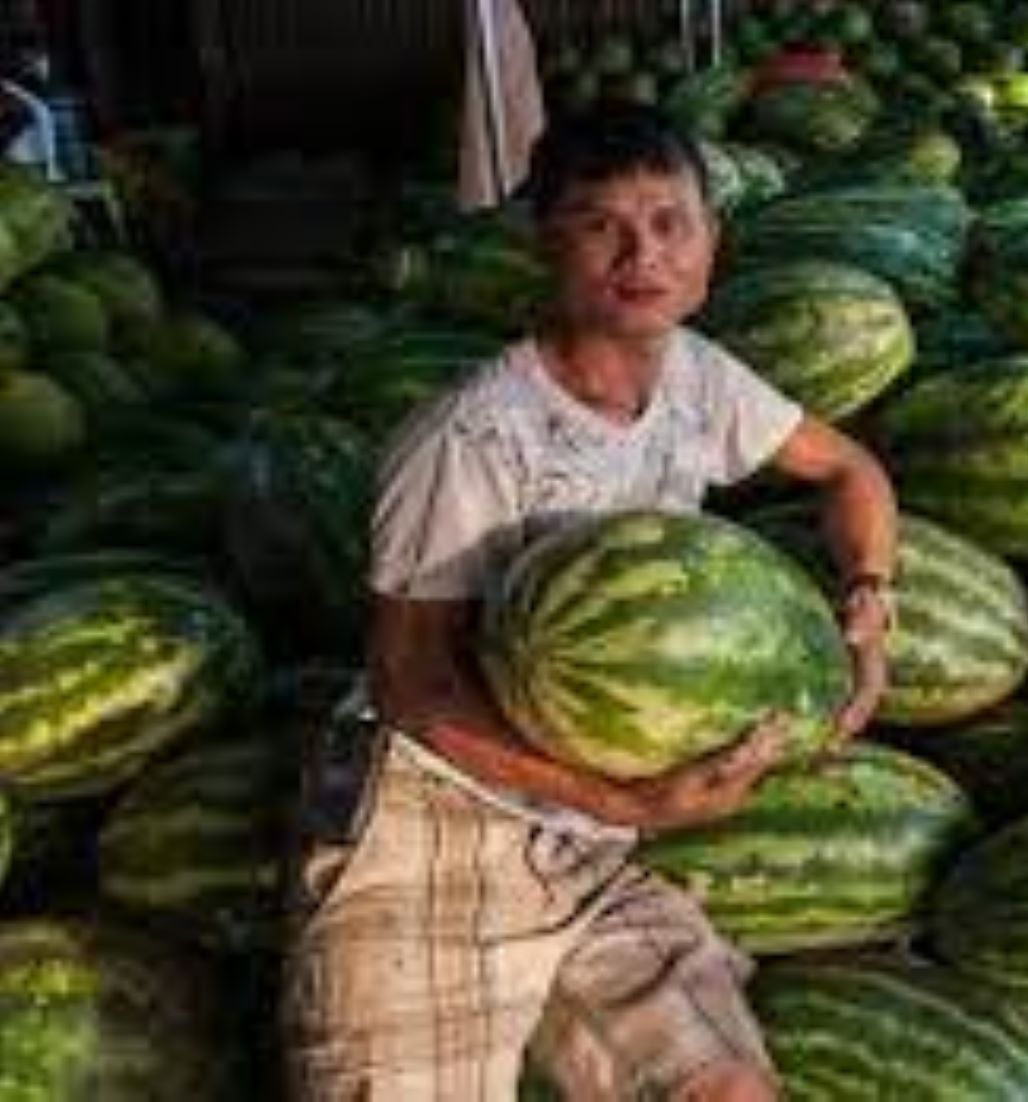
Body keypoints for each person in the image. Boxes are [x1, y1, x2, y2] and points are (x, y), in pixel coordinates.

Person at [283, 104, 898, 1101]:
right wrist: (629, 801)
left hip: (580, 839)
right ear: (544, 245)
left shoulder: (700, 380)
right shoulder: (468, 440)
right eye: (600, 223)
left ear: (711, 243)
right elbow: (408, 681)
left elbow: (849, 470)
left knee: (729, 1093)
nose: (640, 252)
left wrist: (869, 605)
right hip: (431, 841)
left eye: (669, 221)